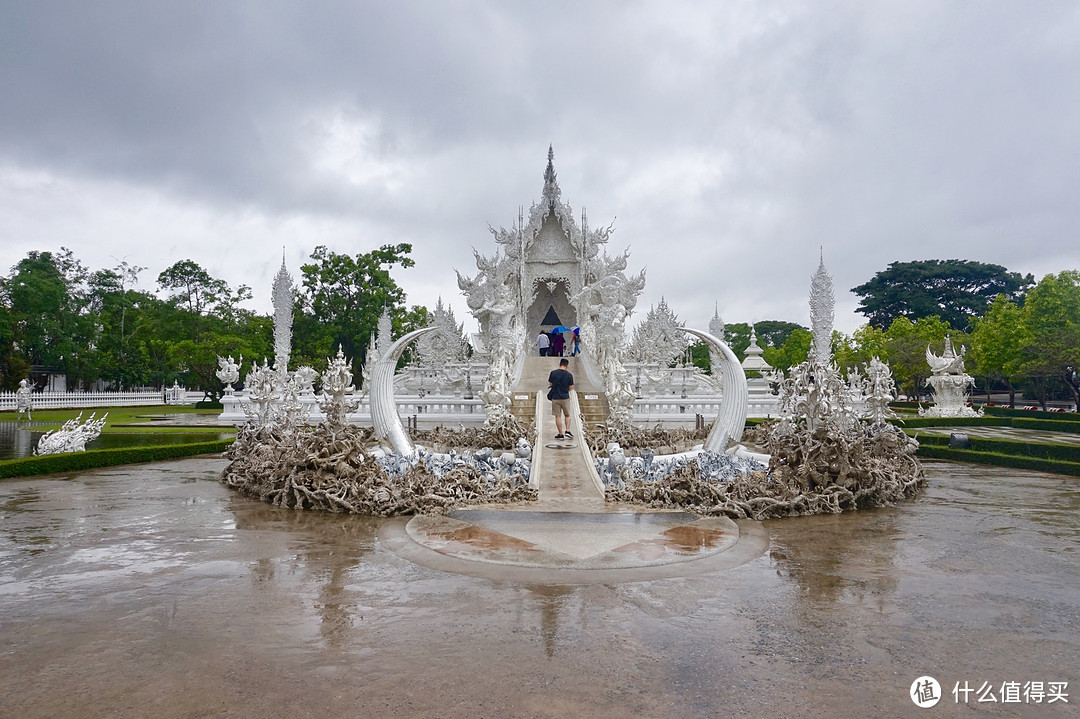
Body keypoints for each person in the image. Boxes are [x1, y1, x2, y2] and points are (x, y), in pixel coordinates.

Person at [547, 358, 575, 440]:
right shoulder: (569, 375)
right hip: (565, 397)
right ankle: (567, 430)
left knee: (557, 416)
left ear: (560, 364)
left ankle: (560, 433)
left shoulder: (553, 373)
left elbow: (550, 384)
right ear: (567, 365)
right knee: (567, 415)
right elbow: (570, 388)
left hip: (555, 397)